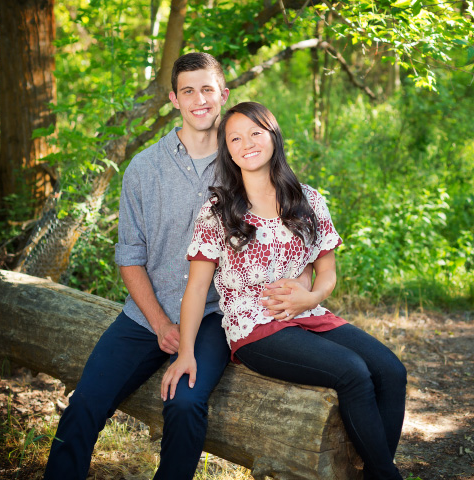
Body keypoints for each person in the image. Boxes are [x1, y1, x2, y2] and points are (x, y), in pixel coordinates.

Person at [161, 102, 408, 480]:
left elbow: (327, 272)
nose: (247, 143)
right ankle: (386, 475)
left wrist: (310, 298)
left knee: (391, 370)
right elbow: (195, 289)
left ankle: (373, 472)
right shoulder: (218, 210)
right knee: (353, 372)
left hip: (307, 314)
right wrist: (187, 353)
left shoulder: (308, 199)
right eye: (235, 138)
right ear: (227, 150)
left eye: (256, 133)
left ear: (273, 136)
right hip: (253, 326)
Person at [45, 52, 237, 480]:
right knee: (85, 404)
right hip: (145, 313)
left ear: (223, 94)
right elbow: (130, 256)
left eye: (208, 89)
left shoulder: (242, 162)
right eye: (188, 91)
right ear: (174, 98)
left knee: (185, 405)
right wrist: (160, 324)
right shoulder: (144, 168)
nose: (199, 99)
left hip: (212, 316)